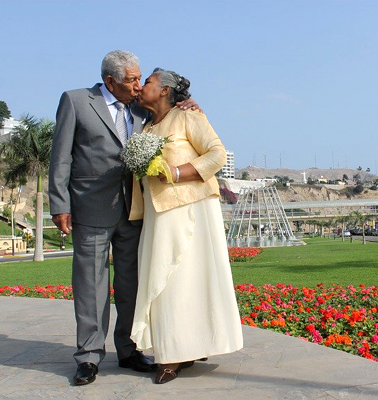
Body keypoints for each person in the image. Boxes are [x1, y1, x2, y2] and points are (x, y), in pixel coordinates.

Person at [48, 51, 198, 385]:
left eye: (140, 78)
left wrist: (190, 103)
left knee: (130, 283)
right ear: (111, 81)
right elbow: (60, 157)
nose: (137, 86)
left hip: (134, 210)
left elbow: (168, 104)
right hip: (90, 209)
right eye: (132, 80)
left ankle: (129, 350)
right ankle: (88, 357)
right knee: (91, 285)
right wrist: (60, 204)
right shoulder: (75, 102)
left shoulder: (138, 108)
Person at [129, 68, 243, 384]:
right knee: (161, 280)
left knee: (184, 281)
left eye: (147, 82)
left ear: (165, 90)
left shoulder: (187, 116)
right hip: (157, 213)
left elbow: (217, 154)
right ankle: (175, 347)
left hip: (191, 209)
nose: (140, 87)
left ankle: (172, 357)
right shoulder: (146, 126)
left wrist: (177, 173)